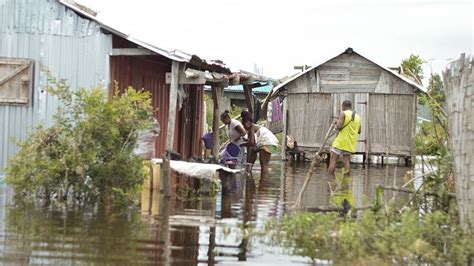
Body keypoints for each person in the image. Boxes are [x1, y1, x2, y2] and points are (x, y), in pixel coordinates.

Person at [240, 111, 279, 178]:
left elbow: (251, 143)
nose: (244, 127)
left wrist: (242, 144)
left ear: (248, 122)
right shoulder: (252, 128)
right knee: (254, 151)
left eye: (244, 125)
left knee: (264, 164)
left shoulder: (252, 127)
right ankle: (249, 170)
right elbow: (252, 143)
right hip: (269, 142)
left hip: (267, 142)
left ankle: (263, 182)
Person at [328, 100, 361, 178]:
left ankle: (329, 179)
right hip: (350, 143)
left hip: (341, 142)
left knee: (333, 160)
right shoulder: (358, 117)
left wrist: (336, 123)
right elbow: (359, 131)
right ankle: (346, 182)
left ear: (344, 106)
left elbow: (339, 126)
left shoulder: (343, 113)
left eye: (342, 107)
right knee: (347, 163)